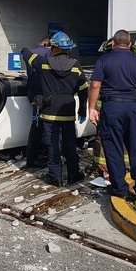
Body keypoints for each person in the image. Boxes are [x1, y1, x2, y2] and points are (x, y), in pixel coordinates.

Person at [88, 30, 136, 200]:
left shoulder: (104, 60)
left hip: (111, 107)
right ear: (130, 44)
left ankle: (119, 187)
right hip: (132, 107)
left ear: (113, 43)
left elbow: (95, 85)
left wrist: (92, 108)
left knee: (113, 147)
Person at [21, 31, 87, 186]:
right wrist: (82, 110)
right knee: (70, 145)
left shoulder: (44, 63)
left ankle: (55, 177)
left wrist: (24, 48)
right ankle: (74, 174)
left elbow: (27, 56)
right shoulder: (76, 66)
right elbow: (84, 90)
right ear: (68, 48)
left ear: (54, 47)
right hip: (68, 111)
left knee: (53, 146)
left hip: (49, 111)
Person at [24, 37, 51, 168]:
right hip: (46, 95)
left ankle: (33, 157)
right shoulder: (48, 53)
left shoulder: (32, 52)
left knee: (36, 126)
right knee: (48, 128)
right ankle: (42, 156)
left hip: (34, 96)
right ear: (48, 44)